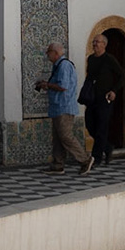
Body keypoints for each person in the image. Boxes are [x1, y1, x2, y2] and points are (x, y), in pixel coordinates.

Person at [32, 42, 90, 174]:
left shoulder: (63, 66)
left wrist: (47, 85)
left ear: (55, 53)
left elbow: (63, 86)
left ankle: (85, 160)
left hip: (64, 107)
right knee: (58, 137)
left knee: (65, 136)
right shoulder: (58, 66)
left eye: (49, 52)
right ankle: (58, 165)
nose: (47, 55)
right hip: (58, 107)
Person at [82, 33, 125, 169]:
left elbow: (122, 75)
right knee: (90, 126)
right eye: (94, 42)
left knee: (101, 127)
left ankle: (96, 158)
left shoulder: (109, 59)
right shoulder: (91, 59)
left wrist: (114, 90)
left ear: (104, 45)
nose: (94, 44)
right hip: (92, 99)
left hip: (104, 99)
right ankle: (107, 146)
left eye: (97, 42)